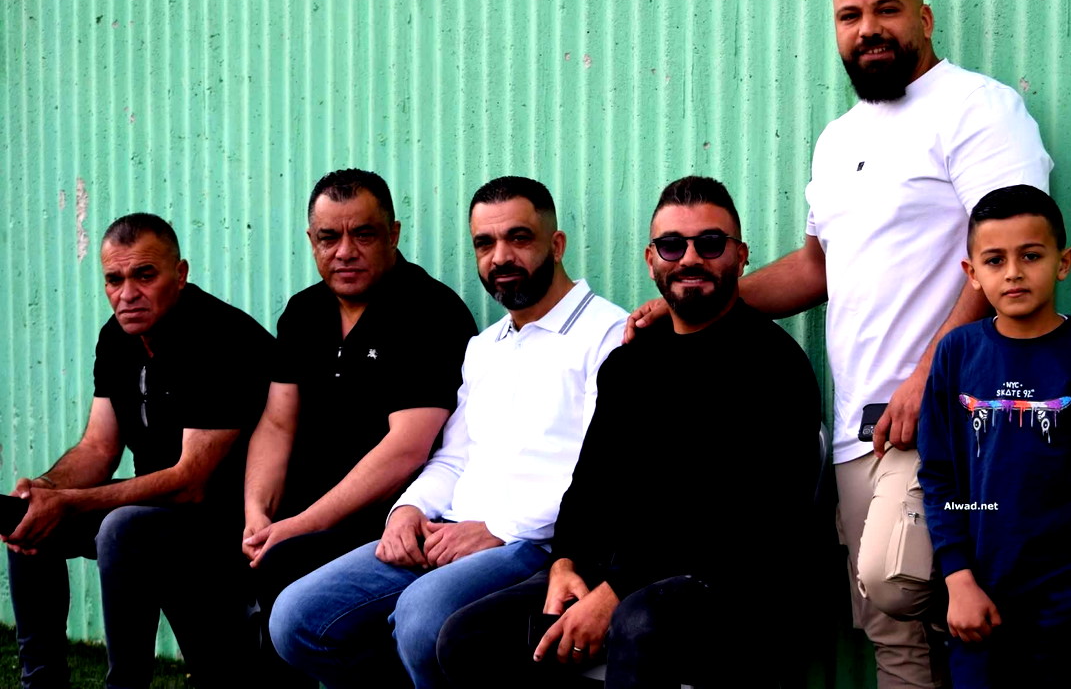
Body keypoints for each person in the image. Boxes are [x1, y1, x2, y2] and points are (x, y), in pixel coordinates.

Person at [627, 0, 1053, 686]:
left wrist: (928, 376)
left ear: (924, 19)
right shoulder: (838, 139)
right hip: (861, 426)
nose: (868, 29)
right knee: (892, 631)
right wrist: (693, 297)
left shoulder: (978, 108)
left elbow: (1007, 253)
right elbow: (814, 269)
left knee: (902, 580)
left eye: (886, 9)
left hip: (946, 413)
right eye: (849, 16)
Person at [437, 176, 822, 688]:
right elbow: (589, 485)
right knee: (468, 636)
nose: (690, 259)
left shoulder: (773, 366)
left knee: (639, 625)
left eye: (710, 243)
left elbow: (735, 516)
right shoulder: (629, 364)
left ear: (740, 255)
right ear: (650, 259)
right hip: (621, 575)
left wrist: (615, 593)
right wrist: (566, 564)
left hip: (727, 583)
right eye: (672, 245)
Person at [268, 176, 627, 689]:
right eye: (485, 243)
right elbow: (455, 456)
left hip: (535, 542)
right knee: (297, 619)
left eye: (519, 238)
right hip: (447, 531)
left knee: (422, 618)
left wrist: (498, 527)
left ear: (556, 244)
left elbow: (605, 472)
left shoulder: (608, 335)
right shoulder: (486, 346)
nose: (500, 257)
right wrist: (408, 509)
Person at [4, 213, 273, 689]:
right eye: (114, 279)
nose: (127, 294)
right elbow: (98, 447)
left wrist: (69, 502)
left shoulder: (220, 337)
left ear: (180, 274)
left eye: (144, 275)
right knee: (28, 516)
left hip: (230, 522)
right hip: (158, 510)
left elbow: (191, 482)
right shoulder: (117, 337)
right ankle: (40, 684)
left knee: (122, 527)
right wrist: (45, 489)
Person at [241, 169, 477, 681]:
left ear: (393, 234)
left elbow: (407, 448)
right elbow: (277, 424)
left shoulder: (430, 312)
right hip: (303, 513)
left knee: (283, 562)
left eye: (363, 234)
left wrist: (299, 525)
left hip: (390, 521)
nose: (344, 251)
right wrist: (257, 512)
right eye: (329, 237)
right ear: (312, 241)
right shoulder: (304, 312)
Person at [917, 185, 1071, 687]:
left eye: (1030, 255)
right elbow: (939, 478)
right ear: (972, 274)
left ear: (1063, 262)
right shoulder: (957, 354)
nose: (1013, 272)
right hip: (978, 610)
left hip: (1070, 620)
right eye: (995, 260)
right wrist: (959, 579)